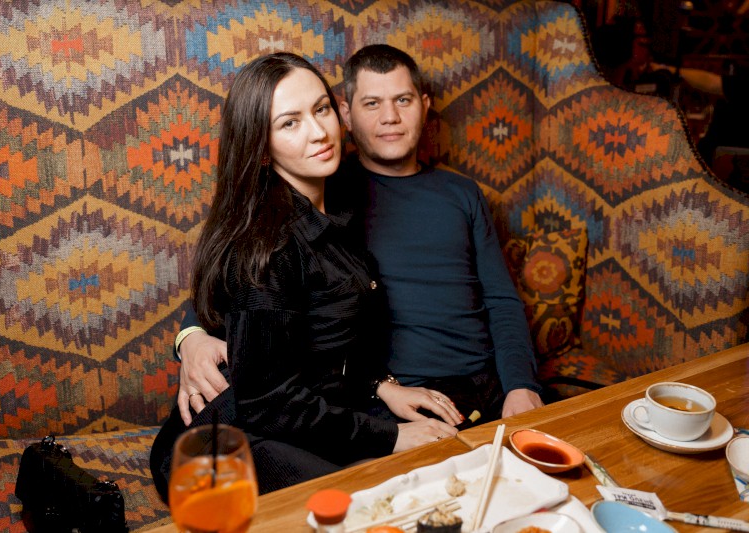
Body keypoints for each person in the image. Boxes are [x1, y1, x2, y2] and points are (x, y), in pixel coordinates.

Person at [172, 45, 543, 428]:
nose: (390, 117)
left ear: (424, 106)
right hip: (395, 393)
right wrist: (192, 336)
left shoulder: (462, 193)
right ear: (347, 114)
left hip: (489, 383)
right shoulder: (323, 187)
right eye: (372, 103)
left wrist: (521, 384)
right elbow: (246, 273)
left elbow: (501, 299)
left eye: (403, 100)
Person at [152, 52, 457, 498]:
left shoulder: (336, 209)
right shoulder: (267, 246)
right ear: (261, 147)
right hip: (229, 441)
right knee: (363, 502)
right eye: (290, 123)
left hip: (303, 414)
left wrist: (381, 388)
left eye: (321, 109)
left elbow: (327, 349)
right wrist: (389, 436)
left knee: (439, 469)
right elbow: (267, 402)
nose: (318, 132)